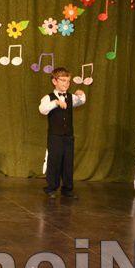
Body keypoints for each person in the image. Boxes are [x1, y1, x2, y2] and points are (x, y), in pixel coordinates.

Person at [39, 67, 86, 198]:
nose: (66, 83)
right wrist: (55, 102)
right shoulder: (48, 98)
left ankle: (67, 189)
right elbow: (42, 110)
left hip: (68, 136)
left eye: (68, 81)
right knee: (54, 161)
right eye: (63, 80)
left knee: (68, 162)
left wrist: (81, 94)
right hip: (55, 136)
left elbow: (81, 101)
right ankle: (51, 188)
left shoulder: (70, 97)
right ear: (54, 81)